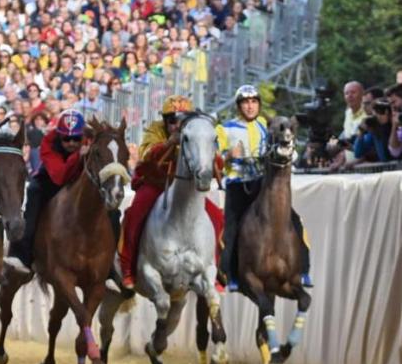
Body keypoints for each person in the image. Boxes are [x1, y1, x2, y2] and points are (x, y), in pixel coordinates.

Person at [117, 95, 225, 291]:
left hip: (186, 189)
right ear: (165, 120)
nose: (176, 125)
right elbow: (146, 156)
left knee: (217, 216)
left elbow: (215, 162)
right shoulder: (154, 130)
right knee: (134, 215)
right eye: (172, 120)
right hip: (156, 183)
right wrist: (168, 144)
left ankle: (215, 268)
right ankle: (128, 267)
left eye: (181, 121)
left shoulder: (197, 133)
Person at [217, 85, 312, 291]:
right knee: (231, 229)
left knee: (294, 220)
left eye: (254, 102)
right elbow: (214, 158)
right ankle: (231, 275)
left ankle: (303, 270)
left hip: (263, 183)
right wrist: (228, 156)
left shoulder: (266, 125)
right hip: (237, 186)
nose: (250, 106)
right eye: (245, 102)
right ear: (238, 106)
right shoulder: (225, 128)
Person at [4, 109, 94, 275]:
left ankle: (112, 267)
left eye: (76, 139)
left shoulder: (90, 140)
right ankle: (21, 254)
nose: (72, 143)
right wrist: (78, 157)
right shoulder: (48, 142)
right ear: (59, 135)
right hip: (50, 181)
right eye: (67, 138)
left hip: (79, 182)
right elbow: (59, 176)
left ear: (83, 136)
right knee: (32, 192)